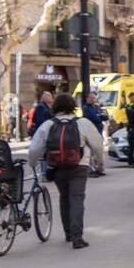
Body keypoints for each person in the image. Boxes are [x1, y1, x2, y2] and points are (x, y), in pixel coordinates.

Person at [28, 93, 103, 249]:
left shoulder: (48, 125)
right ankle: (77, 237)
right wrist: (99, 160)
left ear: (55, 107)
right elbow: (97, 144)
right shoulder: (83, 123)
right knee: (76, 198)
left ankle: (68, 233)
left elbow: (35, 148)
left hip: (57, 167)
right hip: (79, 165)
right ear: (72, 106)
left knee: (64, 197)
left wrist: (32, 163)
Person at [81, 92, 107, 177]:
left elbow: (105, 116)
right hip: (90, 132)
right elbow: (93, 117)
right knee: (91, 152)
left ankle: (99, 169)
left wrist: (99, 116)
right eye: (91, 98)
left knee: (99, 152)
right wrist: (99, 116)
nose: (93, 99)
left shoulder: (96, 107)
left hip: (99, 132)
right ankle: (91, 170)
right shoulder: (86, 108)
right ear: (87, 99)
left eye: (94, 98)